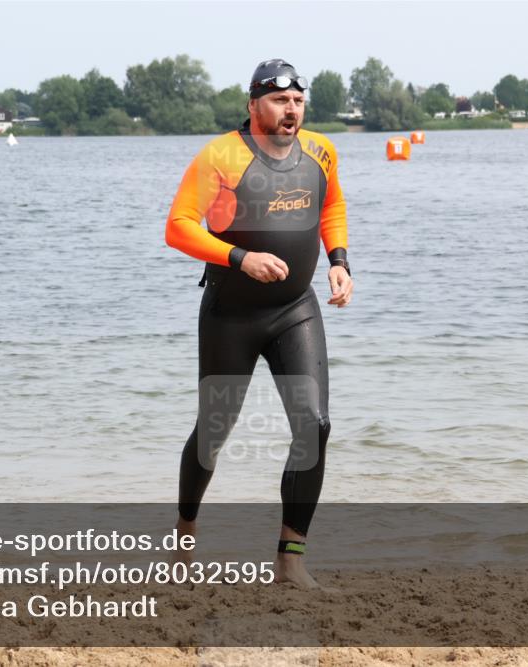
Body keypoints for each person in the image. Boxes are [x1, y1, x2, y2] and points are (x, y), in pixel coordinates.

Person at [165, 59, 352, 589]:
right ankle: (184, 532)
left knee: (314, 425)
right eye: (278, 101)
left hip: (295, 308)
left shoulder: (321, 150)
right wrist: (239, 257)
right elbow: (178, 228)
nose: (290, 110)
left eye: (297, 101)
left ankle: (290, 559)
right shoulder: (221, 155)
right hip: (233, 312)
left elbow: (331, 205)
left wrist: (339, 261)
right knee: (213, 433)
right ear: (253, 105)